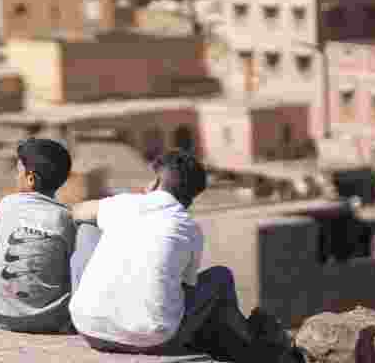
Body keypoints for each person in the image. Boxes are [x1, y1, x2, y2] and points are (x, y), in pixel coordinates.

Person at [67, 150, 303, 362]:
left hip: (89, 330)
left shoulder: (122, 204)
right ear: (191, 197)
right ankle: (245, 343)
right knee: (221, 276)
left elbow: (77, 212)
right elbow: (185, 288)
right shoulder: (189, 228)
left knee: (88, 229)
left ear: (156, 181)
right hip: (153, 341)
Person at [0, 138, 75, 333]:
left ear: (30, 178)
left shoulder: (7, 204)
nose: (16, 177)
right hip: (50, 318)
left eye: (18, 172)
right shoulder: (65, 218)